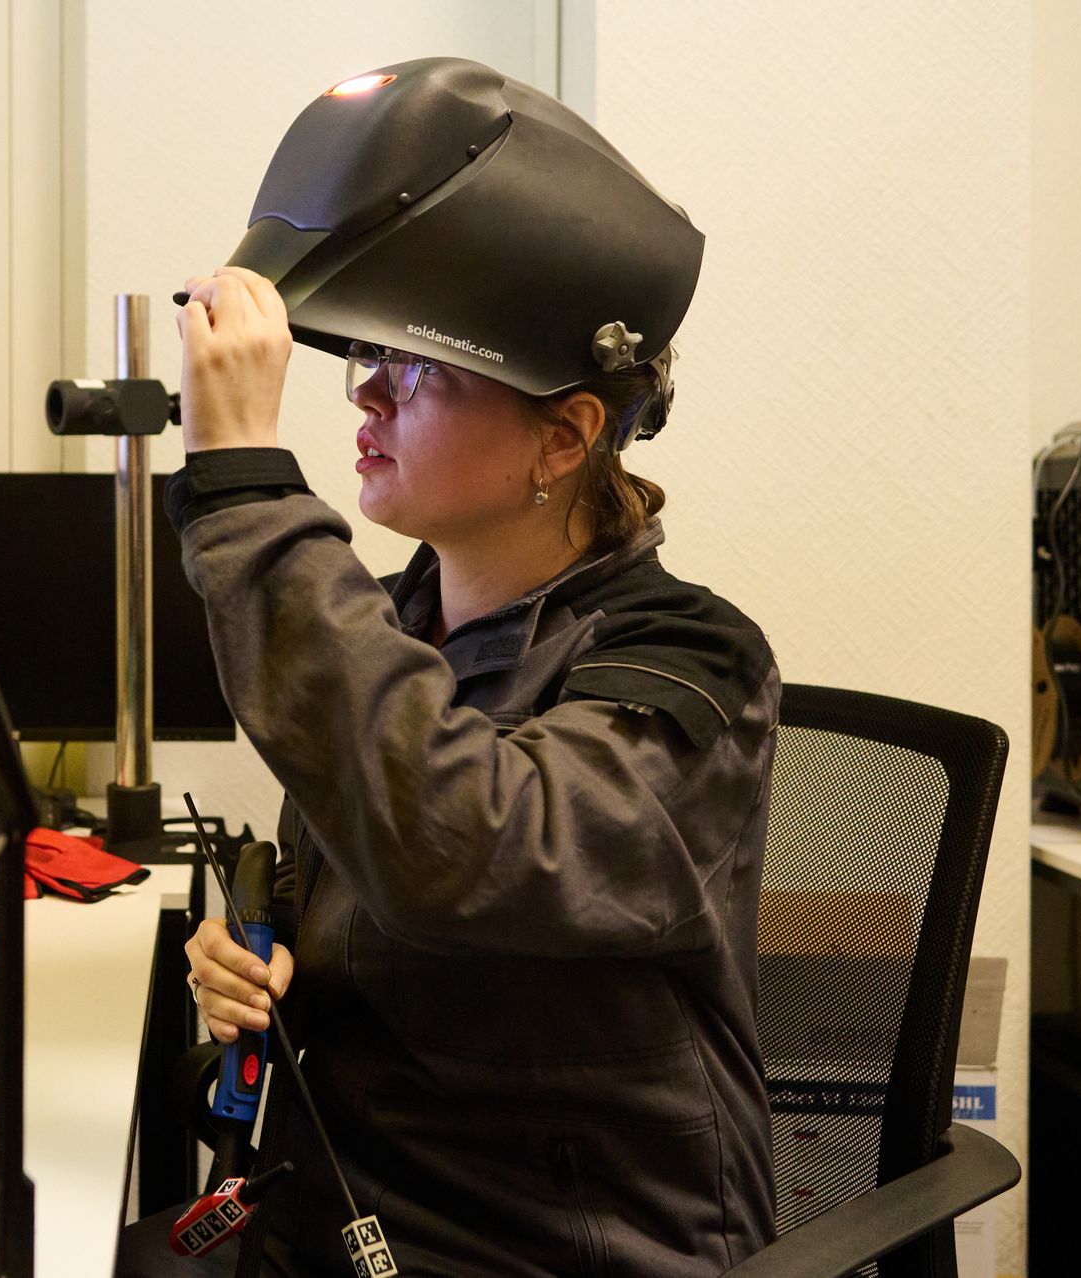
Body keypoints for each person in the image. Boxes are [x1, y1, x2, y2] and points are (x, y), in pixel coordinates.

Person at [115, 58, 778, 1278]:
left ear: (564, 435)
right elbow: (372, 864)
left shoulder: (697, 665)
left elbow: (474, 849)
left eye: (417, 367)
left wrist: (247, 485)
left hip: (554, 1250)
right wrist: (266, 958)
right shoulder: (389, 630)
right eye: (366, 356)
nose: (367, 393)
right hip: (344, 1214)